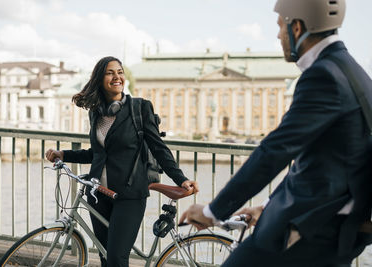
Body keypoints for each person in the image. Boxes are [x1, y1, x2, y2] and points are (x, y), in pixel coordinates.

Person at [179, 0, 372, 266]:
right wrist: (267, 208)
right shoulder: (353, 72)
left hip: (310, 227)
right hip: (337, 227)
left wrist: (213, 212)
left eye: (280, 26)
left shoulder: (323, 76)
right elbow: (317, 163)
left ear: (297, 28)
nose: (278, 35)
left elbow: (274, 151)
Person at [46, 56, 199, 267]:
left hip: (129, 194)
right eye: (110, 72)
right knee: (104, 256)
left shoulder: (140, 108)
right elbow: (98, 153)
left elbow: (159, 148)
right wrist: (64, 154)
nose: (117, 76)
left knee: (117, 259)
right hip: (98, 193)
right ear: (100, 79)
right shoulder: (96, 114)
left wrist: (181, 179)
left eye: (120, 72)